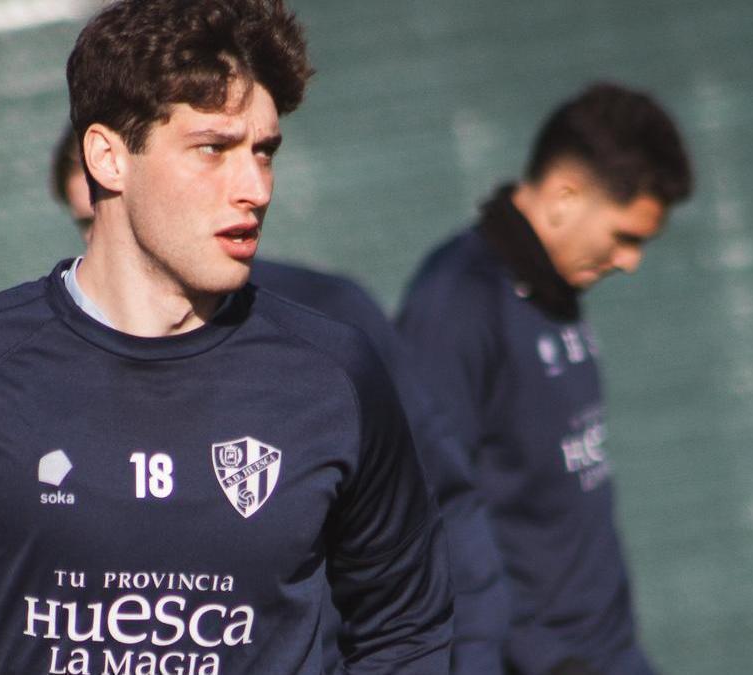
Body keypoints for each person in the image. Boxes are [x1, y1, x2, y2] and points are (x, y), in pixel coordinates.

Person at [0, 1, 452, 673]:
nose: (255, 187)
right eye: (213, 149)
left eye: (263, 152)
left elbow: (407, 628)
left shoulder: (333, 374)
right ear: (108, 159)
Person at [53, 122, 511, 673]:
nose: (106, 231)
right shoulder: (51, 369)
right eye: (88, 218)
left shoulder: (332, 326)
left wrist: (477, 660)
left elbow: (446, 503)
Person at [396, 82, 693, 675]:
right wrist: (542, 658)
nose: (631, 261)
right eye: (624, 237)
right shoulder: (456, 305)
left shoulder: (556, 290)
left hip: (612, 654)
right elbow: (427, 518)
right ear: (564, 196)